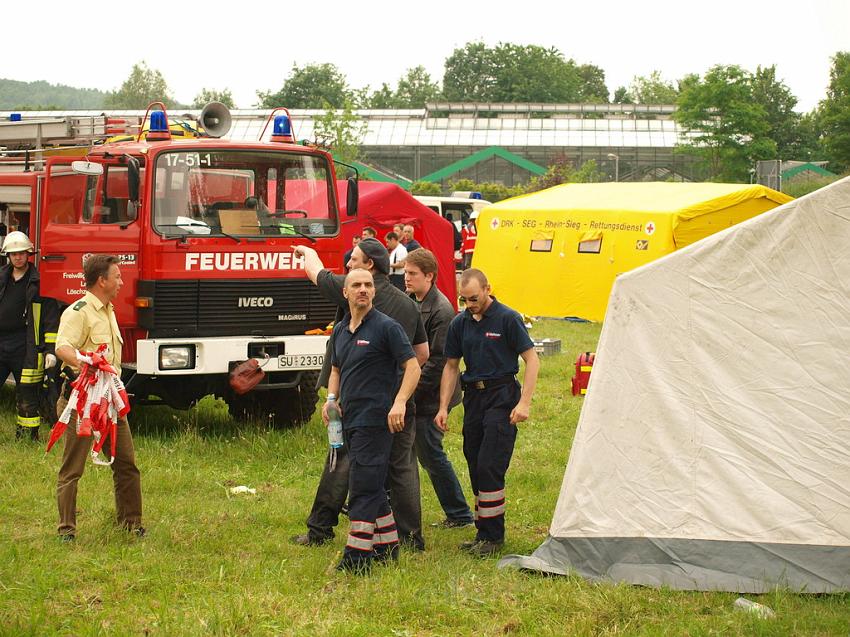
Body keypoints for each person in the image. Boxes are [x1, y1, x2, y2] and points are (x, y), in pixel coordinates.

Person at [292, 238, 429, 550]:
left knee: (345, 465)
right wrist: (398, 386)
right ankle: (409, 538)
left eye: (354, 260)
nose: (349, 266)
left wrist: (307, 252)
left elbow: (315, 273)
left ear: (369, 267)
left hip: (368, 406)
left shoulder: (353, 288)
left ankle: (330, 534)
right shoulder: (407, 304)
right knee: (401, 467)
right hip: (395, 401)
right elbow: (422, 353)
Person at [435, 268, 540, 557]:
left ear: (487, 289)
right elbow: (451, 366)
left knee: (489, 465)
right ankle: (483, 529)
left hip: (502, 396)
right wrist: (443, 407)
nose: (470, 305)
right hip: (474, 399)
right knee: (474, 461)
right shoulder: (460, 323)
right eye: (464, 300)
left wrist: (525, 403)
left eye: (474, 298)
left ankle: (494, 537)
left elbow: (531, 360)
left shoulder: (508, 319)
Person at [327, 269, 420, 572]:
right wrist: (330, 400)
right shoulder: (341, 330)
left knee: (363, 487)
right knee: (373, 486)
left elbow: (413, 366)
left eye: (368, 285)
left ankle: (357, 558)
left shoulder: (387, 327)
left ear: (374, 292)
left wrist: (400, 402)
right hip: (349, 420)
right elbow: (337, 369)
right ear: (346, 292)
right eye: (356, 285)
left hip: (377, 420)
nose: (363, 290)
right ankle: (388, 548)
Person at [54, 254, 143, 542]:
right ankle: (67, 530)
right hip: (84, 402)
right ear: (101, 280)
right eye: (117, 276)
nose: (121, 281)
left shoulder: (109, 310)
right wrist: (85, 360)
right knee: (72, 469)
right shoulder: (79, 311)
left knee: (126, 463)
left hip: (111, 403)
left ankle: (131, 523)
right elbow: (62, 347)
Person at [404, 249, 473, 528]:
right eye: (405, 273)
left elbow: (438, 363)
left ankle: (459, 514)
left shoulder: (442, 310)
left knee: (430, 453)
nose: (406, 279)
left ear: (429, 276)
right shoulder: (411, 300)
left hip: (432, 396)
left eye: (412, 274)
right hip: (414, 391)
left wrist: (407, 393)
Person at [0, 231, 59, 440]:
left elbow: (51, 319)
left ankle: (26, 436)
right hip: (1, 343)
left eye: (21, 253)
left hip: (26, 346)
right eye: (13, 254)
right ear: (7, 255)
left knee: (27, 392)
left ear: (29, 254)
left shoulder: (39, 282)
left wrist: (50, 351)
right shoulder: (1, 277)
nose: (18, 257)